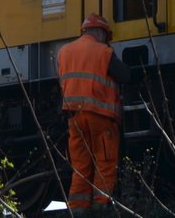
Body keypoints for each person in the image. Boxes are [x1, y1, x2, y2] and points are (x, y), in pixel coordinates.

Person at [56, 13, 133, 214]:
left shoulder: (64, 52)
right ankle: (101, 207)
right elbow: (125, 75)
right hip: (100, 116)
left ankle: (78, 210)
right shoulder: (104, 52)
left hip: (74, 119)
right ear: (100, 32)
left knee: (80, 167)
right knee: (104, 162)